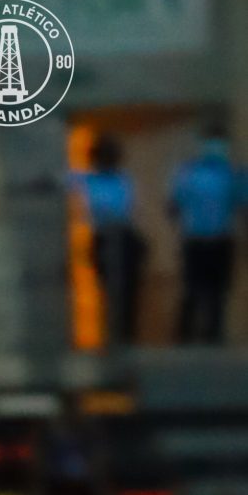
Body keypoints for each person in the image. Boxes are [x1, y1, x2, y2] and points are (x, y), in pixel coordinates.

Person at [169, 123, 243, 345]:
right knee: (192, 291)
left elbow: (242, 205)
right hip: (195, 241)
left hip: (221, 240)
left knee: (218, 294)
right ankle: (185, 339)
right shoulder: (188, 172)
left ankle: (213, 339)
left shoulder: (233, 173)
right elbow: (173, 206)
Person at [73, 133, 144, 348]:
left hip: (123, 237)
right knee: (108, 291)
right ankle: (112, 338)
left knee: (127, 292)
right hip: (103, 237)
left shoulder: (122, 179)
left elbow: (127, 209)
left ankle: (125, 338)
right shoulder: (88, 178)